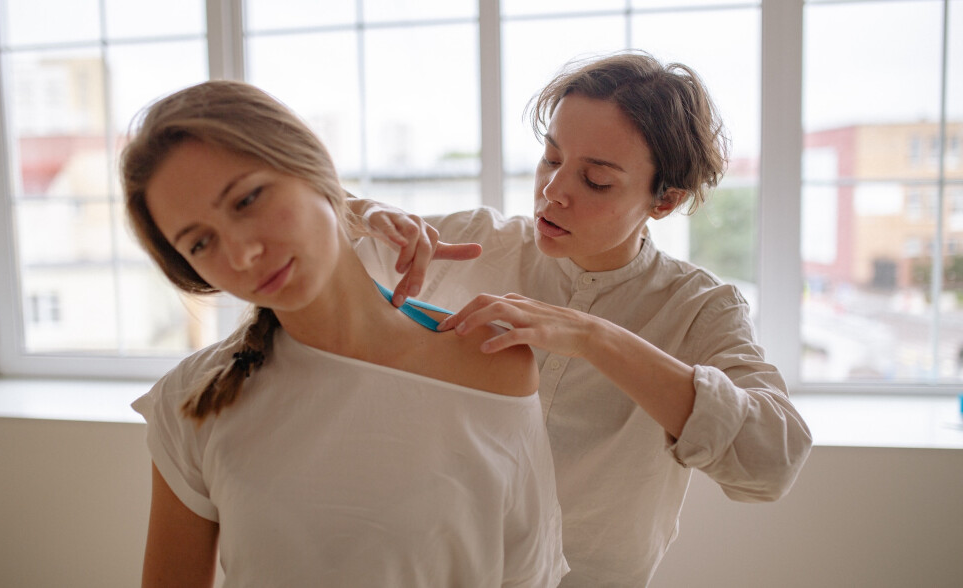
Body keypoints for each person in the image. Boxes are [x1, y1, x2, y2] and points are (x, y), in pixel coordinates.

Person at [350, 51, 813, 587]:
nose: (553, 191)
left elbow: (772, 463)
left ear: (665, 201)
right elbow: (297, 234)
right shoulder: (477, 243)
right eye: (551, 158)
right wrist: (361, 215)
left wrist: (597, 339)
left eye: (595, 180)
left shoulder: (700, 309)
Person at [121, 80, 568, 587]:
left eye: (247, 200)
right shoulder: (192, 401)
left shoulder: (490, 360)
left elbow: (529, 573)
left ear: (311, 164)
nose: (241, 254)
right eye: (200, 243)